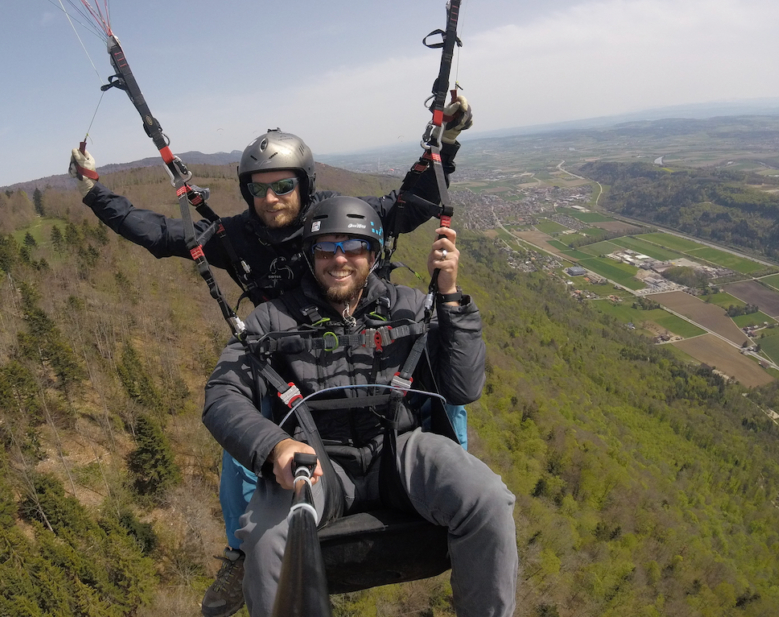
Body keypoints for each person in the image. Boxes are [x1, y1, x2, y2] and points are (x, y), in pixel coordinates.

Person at [69, 115, 471, 616]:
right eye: (259, 190)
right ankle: (243, 555)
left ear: (304, 186)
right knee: (244, 449)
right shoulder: (236, 238)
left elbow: (411, 203)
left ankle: (453, 509)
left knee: (443, 398)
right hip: (290, 370)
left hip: (365, 351)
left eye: (284, 186)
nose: (271, 199)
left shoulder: (342, 217)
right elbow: (161, 234)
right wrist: (93, 192)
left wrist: (446, 142)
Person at [202, 196, 517, 616]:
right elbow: (223, 393)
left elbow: (462, 387)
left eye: (352, 247)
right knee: (266, 537)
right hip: (316, 460)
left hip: (400, 447)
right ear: (310, 254)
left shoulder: (409, 307)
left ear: (373, 253)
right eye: (326, 248)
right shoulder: (271, 321)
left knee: (488, 499)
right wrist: (275, 446)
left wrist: (450, 298)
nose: (339, 260)